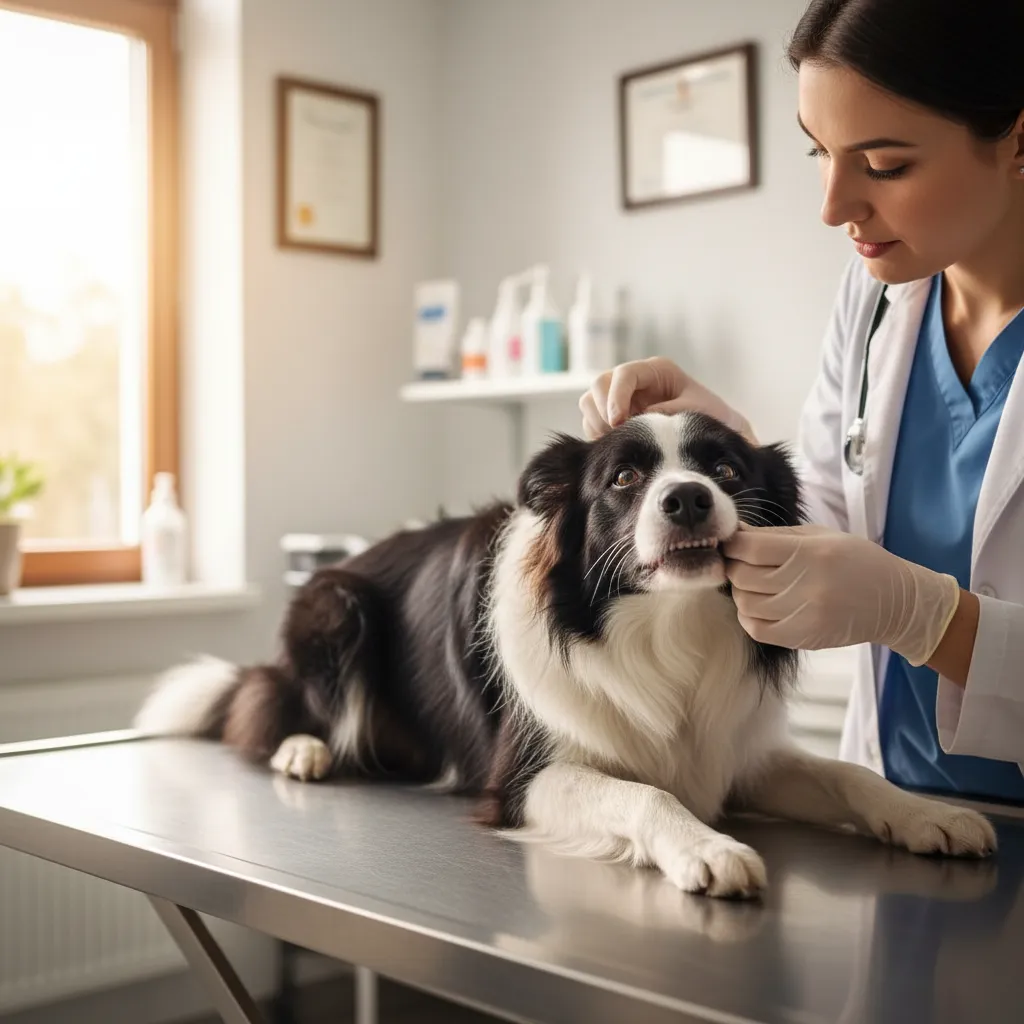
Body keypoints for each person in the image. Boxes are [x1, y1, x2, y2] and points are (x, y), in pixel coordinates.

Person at [579, 0, 1024, 803]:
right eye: (819, 152)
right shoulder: (880, 293)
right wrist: (727, 456)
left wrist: (928, 619)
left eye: (884, 165)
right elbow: (829, 524)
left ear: (1018, 139)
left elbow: (883, 593)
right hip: (912, 801)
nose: (833, 207)